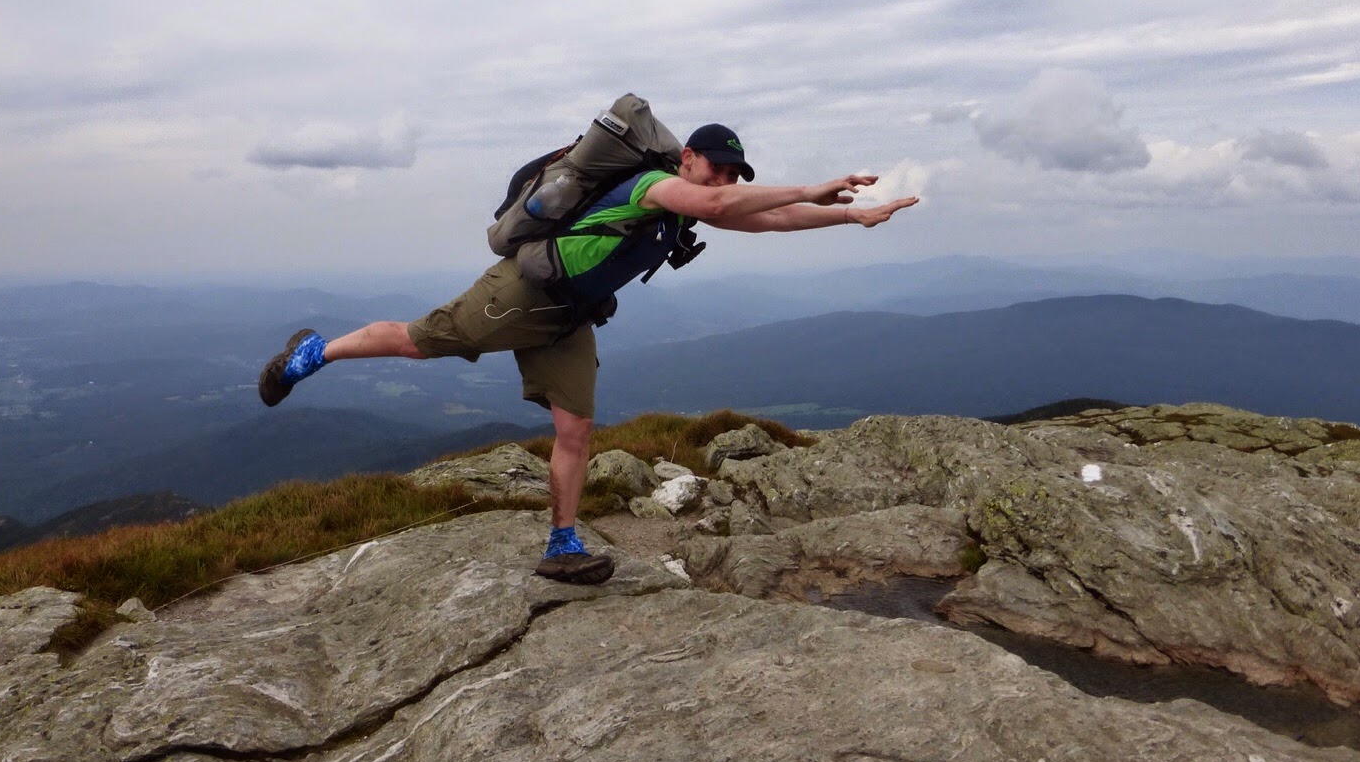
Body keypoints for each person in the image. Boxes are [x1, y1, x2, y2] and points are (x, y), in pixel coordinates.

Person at [258, 122, 919, 585]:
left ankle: (562, 543)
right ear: (688, 158)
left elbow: (763, 219)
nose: (722, 180)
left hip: (568, 317)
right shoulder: (653, 186)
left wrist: (850, 216)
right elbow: (724, 202)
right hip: (519, 293)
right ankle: (314, 352)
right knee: (416, 341)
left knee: (575, 427)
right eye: (716, 167)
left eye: (731, 173)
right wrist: (810, 186)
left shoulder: (686, 207)